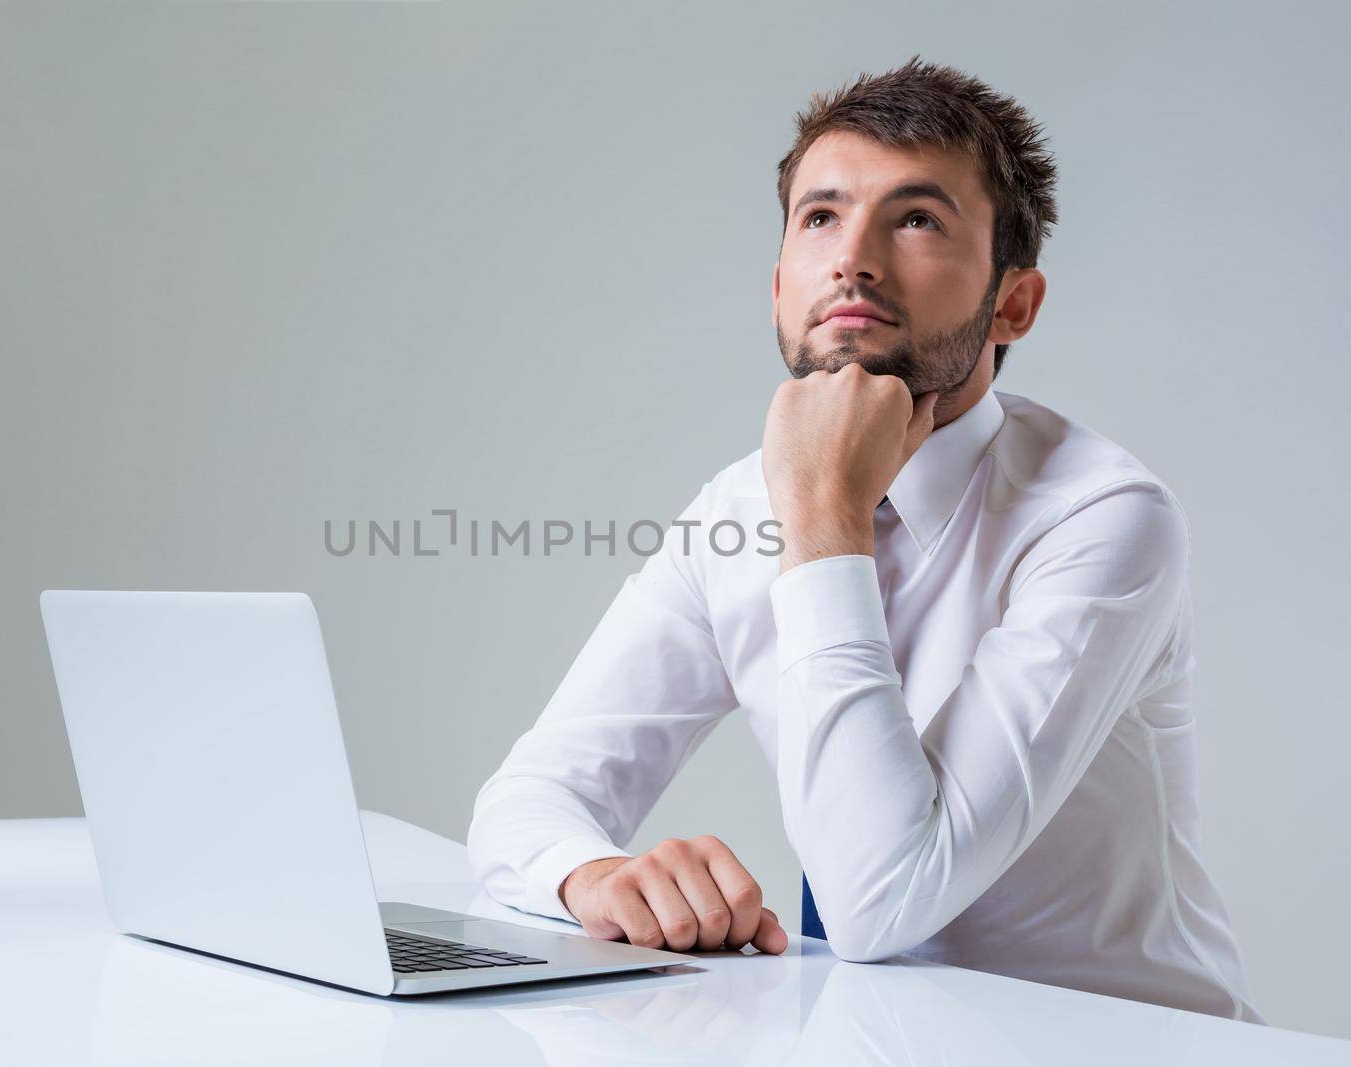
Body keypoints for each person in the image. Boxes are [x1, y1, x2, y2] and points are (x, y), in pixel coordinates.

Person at [466, 56, 1262, 1022]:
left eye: (918, 218)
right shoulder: (733, 510)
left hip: (1122, 1047)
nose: (853, 258)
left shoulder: (1101, 517)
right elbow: (526, 799)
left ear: (1014, 303)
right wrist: (590, 875)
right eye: (820, 218)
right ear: (777, 288)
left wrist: (825, 520)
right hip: (867, 1038)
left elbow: (882, 899)